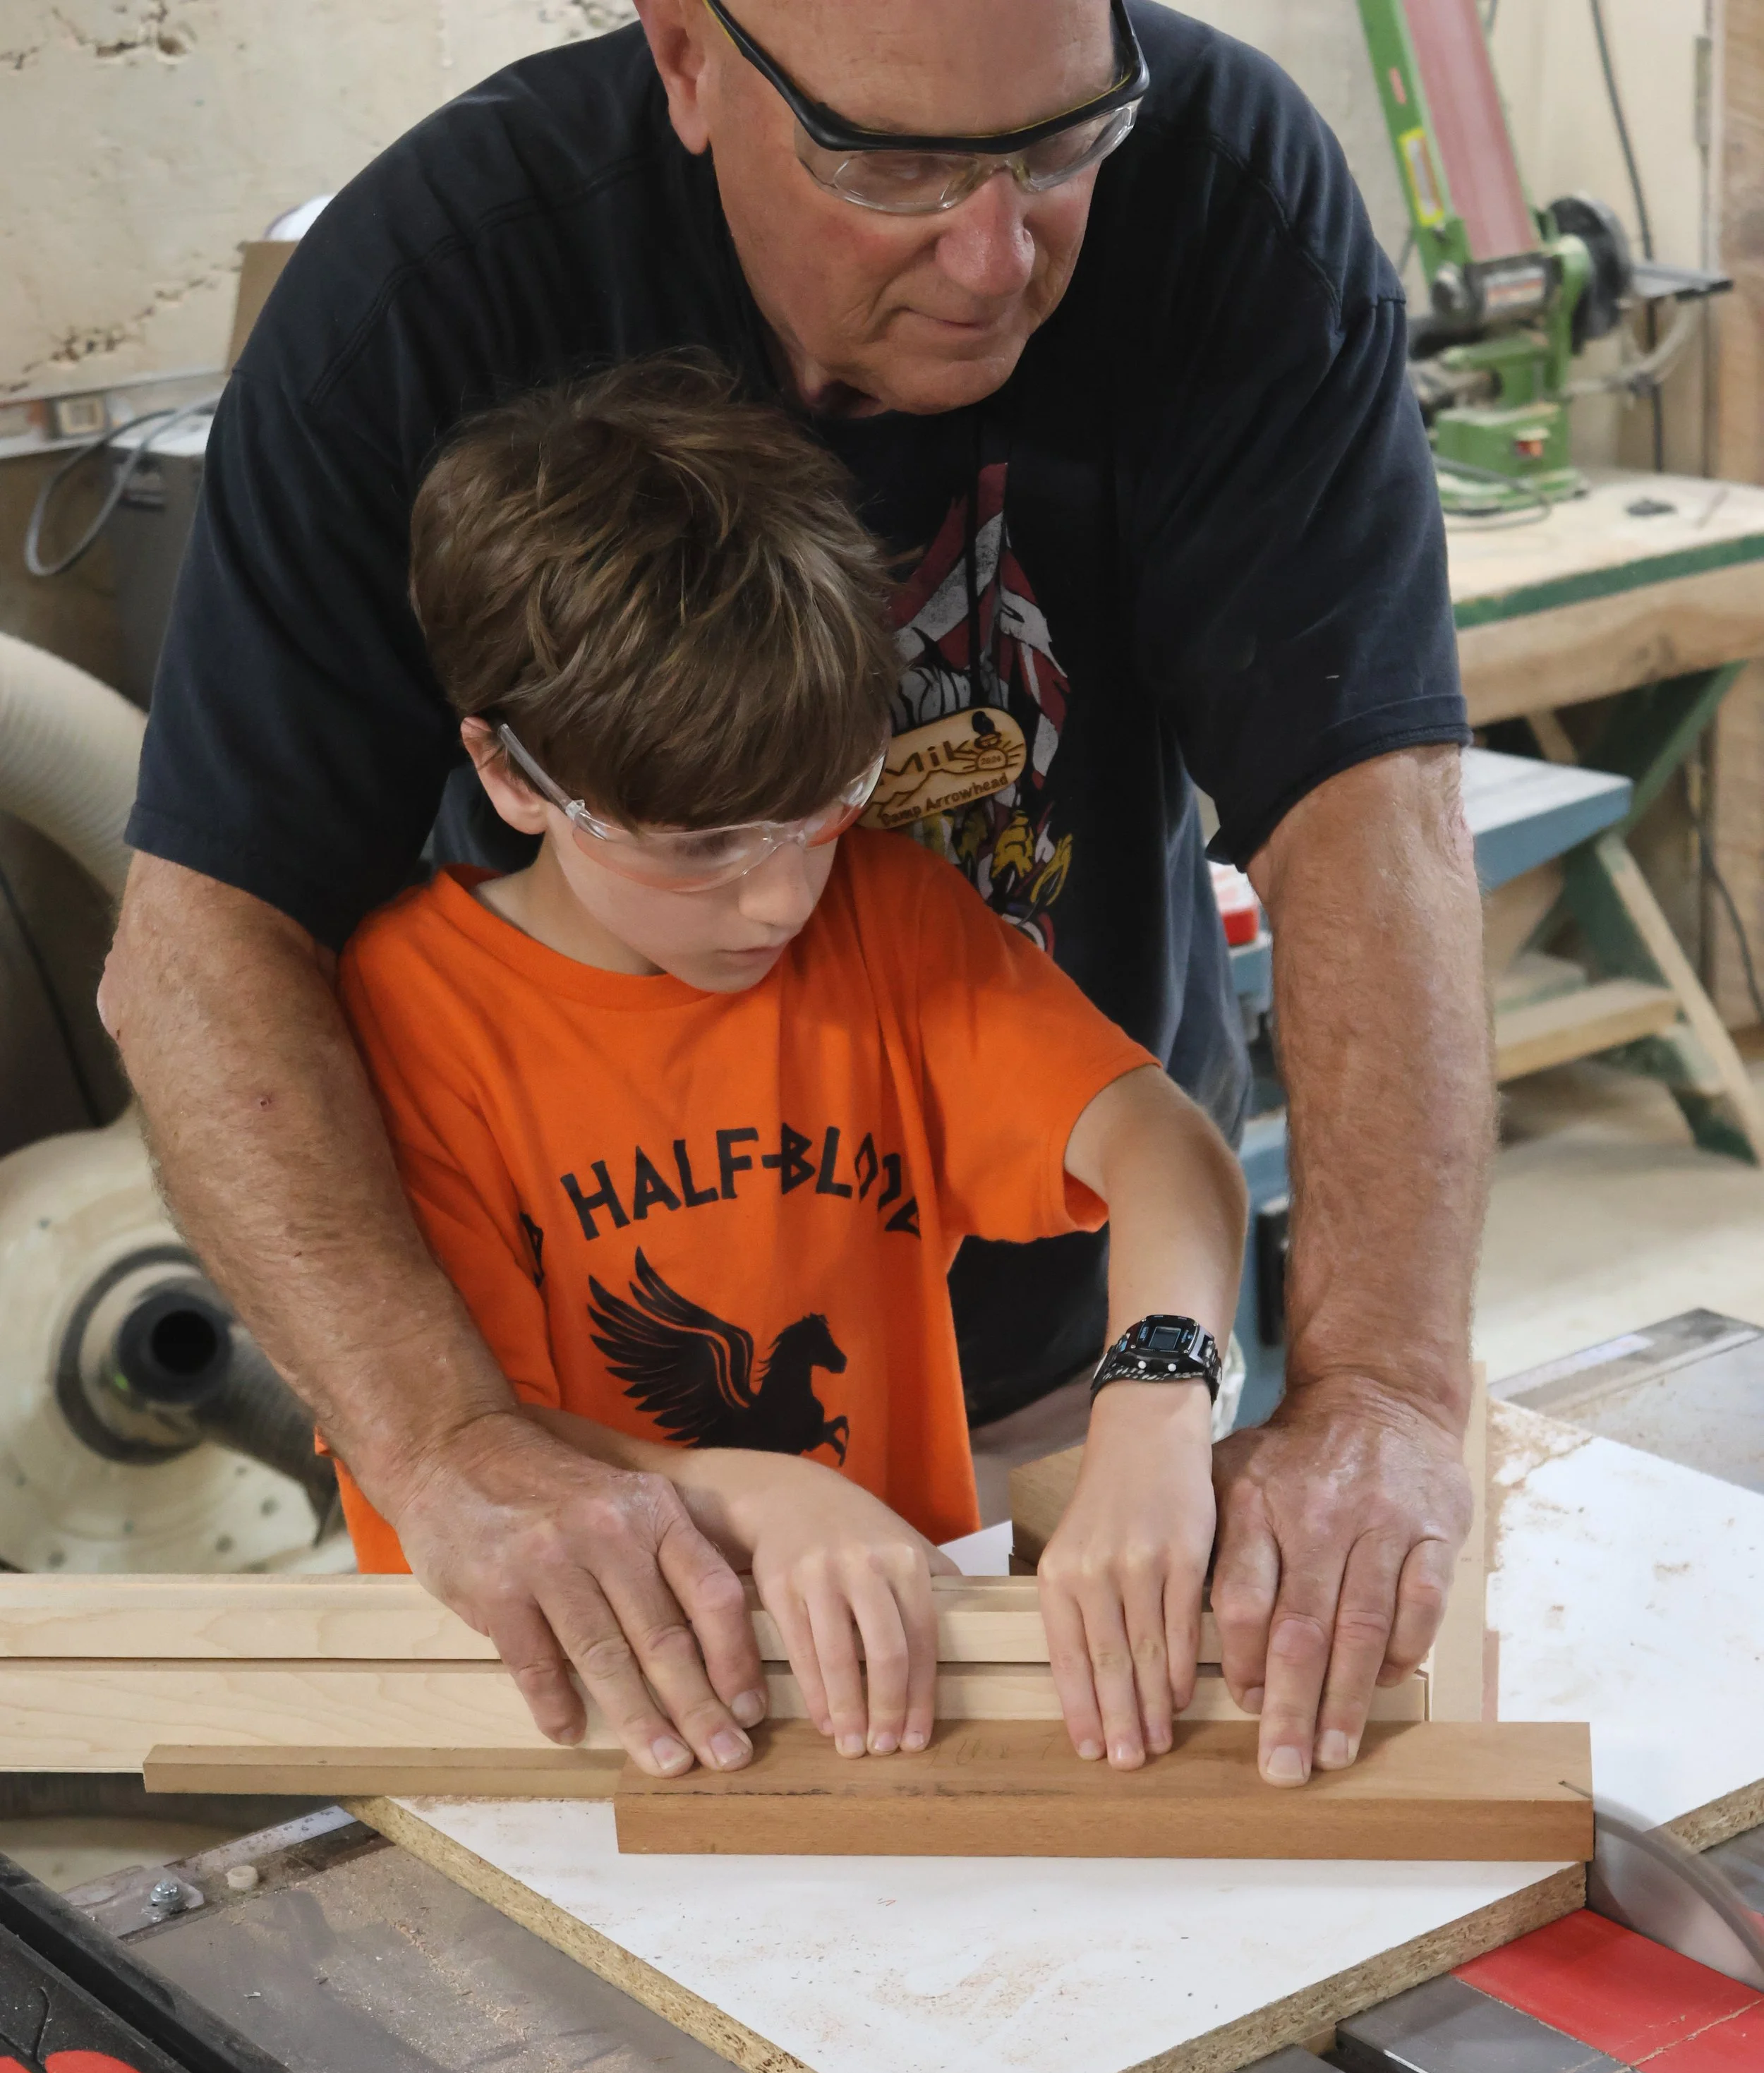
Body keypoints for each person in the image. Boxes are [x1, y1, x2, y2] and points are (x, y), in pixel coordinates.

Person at [101, 0, 1490, 1787]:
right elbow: (203, 947)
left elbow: (1369, 809)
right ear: (688, 56)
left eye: (1064, 144)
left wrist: (1353, 1388)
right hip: (606, 1532)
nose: (995, 259)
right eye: (891, 162)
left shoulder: (1225, 194)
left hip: (1046, 1361)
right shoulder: (425, 292)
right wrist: (451, 1446)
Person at [337, 359, 1245, 1771]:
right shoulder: (408, 1018)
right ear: (513, 775)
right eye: (697, 848)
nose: (772, 902)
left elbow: (1160, 1146)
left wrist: (1156, 1395)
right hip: (565, 1708)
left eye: (815, 813)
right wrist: (753, 1496)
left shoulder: (883, 916)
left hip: (892, 1689)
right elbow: (461, 1438)